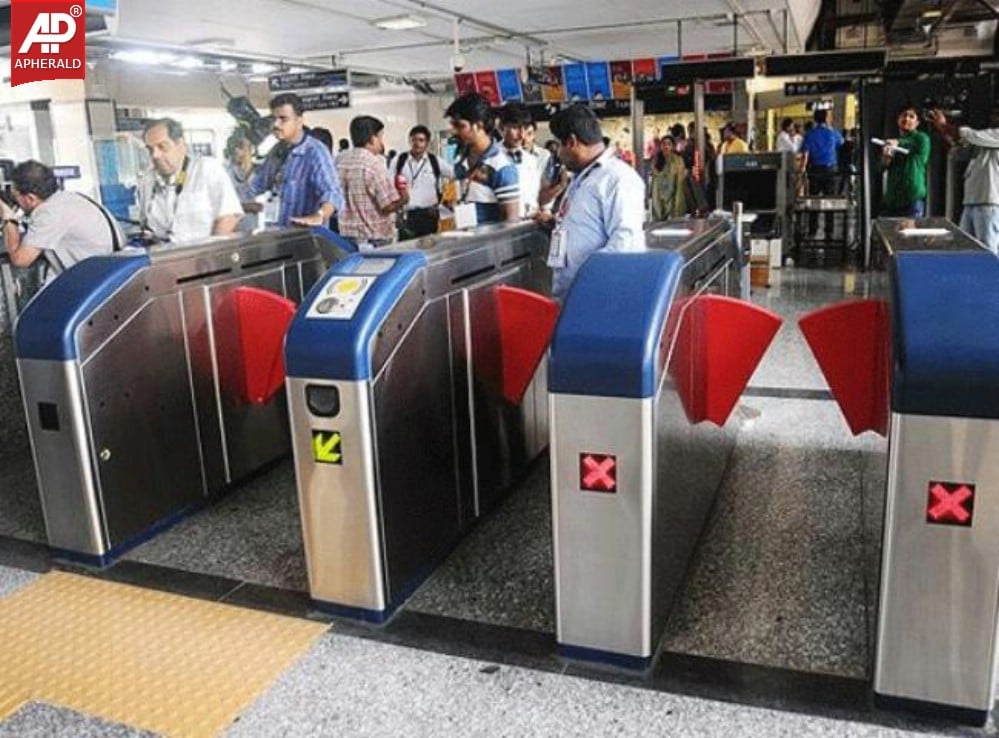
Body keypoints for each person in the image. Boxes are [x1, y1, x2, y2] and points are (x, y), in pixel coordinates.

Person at [537, 104, 646, 299]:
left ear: (571, 142)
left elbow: (625, 243)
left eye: (560, 145)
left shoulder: (618, 178)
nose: (559, 154)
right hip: (571, 296)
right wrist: (556, 224)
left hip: (597, 297)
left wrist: (590, 287)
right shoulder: (582, 176)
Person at [0, 160, 122, 284]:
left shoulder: (48, 213)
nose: (15, 201)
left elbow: (20, 260)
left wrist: (9, 218)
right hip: (109, 273)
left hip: (94, 282)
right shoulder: (69, 198)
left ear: (30, 198)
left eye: (16, 196)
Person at [245, 93, 344, 228]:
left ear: (299, 121)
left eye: (283, 119)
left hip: (304, 237)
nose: (276, 124)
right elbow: (256, 186)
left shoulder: (314, 152)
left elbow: (332, 193)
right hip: (278, 233)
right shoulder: (275, 152)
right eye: (274, 119)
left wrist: (319, 216)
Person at [138, 118, 242, 244]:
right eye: (150, 149)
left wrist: (208, 256)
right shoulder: (147, 181)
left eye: (162, 147)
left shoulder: (206, 169)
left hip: (201, 256)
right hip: (163, 256)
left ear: (181, 145)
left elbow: (228, 217)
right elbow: (146, 226)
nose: (155, 155)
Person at [928, 107, 999, 254]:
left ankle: (991, 277)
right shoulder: (985, 143)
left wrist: (944, 125)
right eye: (994, 113)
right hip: (972, 201)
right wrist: (945, 131)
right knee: (964, 248)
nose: (994, 117)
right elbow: (960, 148)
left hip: (990, 202)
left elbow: (970, 135)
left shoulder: (993, 136)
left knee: (988, 250)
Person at [445, 93, 520, 224]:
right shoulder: (460, 159)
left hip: (489, 242)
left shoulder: (500, 166)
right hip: (465, 238)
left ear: (478, 125)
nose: (453, 131)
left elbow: (511, 221)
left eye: (460, 125)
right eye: (452, 125)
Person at [336, 115, 409, 249]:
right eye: (380, 137)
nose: (381, 142)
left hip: (347, 238)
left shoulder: (341, 163)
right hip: (375, 238)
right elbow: (387, 206)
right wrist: (404, 198)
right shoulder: (374, 164)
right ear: (371, 138)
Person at [389, 125, 453, 239]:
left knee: (430, 251)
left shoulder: (434, 161)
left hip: (430, 214)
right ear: (409, 141)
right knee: (407, 250)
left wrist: (448, 199)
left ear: (427, 143)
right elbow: (388, 183)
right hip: (407, 215)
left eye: (421, 140)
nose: (417, 143)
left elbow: (454, 174)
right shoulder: (399, 160)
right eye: (413, 140)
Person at [881, 106, 931, 218]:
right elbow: (883, 167)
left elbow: (910, 144)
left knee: (909, 234)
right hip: (893, 199)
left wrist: (897, 143)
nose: (907, 118)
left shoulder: (921, 138)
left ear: (917, 123)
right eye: (904, 115)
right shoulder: (893, 143)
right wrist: (886, 158)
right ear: (898, 119)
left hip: (911, 199)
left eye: (911, 116)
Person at [800, 109, 844, 236]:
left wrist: (802, 170)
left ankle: (812, 230)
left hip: (814, 170)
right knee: (830, 201)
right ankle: (829, 231)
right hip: (830, 170)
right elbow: (841, 142)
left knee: (813, 200)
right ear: (826, 118)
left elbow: (805, 153)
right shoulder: (832, 133)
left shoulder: (809, 134)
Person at [499, 103, 542, 216]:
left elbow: (533, 197)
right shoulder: (492, 158)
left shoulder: (530, 160)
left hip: (528, 224)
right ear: (502, 127)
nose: (521, 135)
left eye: (524, 128)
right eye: (515, 127)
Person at [224, 128, 258, 234]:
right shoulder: (226, 172)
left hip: (253, 226)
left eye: (242, 148)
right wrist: (248, 207)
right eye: (236, 148)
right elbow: (224, 205)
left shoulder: (257, 170)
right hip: (234, 227)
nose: (238, 151)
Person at [649, 135, 687, 221]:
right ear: (661, 146)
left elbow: (679, 181)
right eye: (664, 144)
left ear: (672, 146)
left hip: (673, 195)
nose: (666, 146)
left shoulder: (678, 160)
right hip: (659, 196)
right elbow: (655, 181)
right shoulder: (656, 161)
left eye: (669, 144)